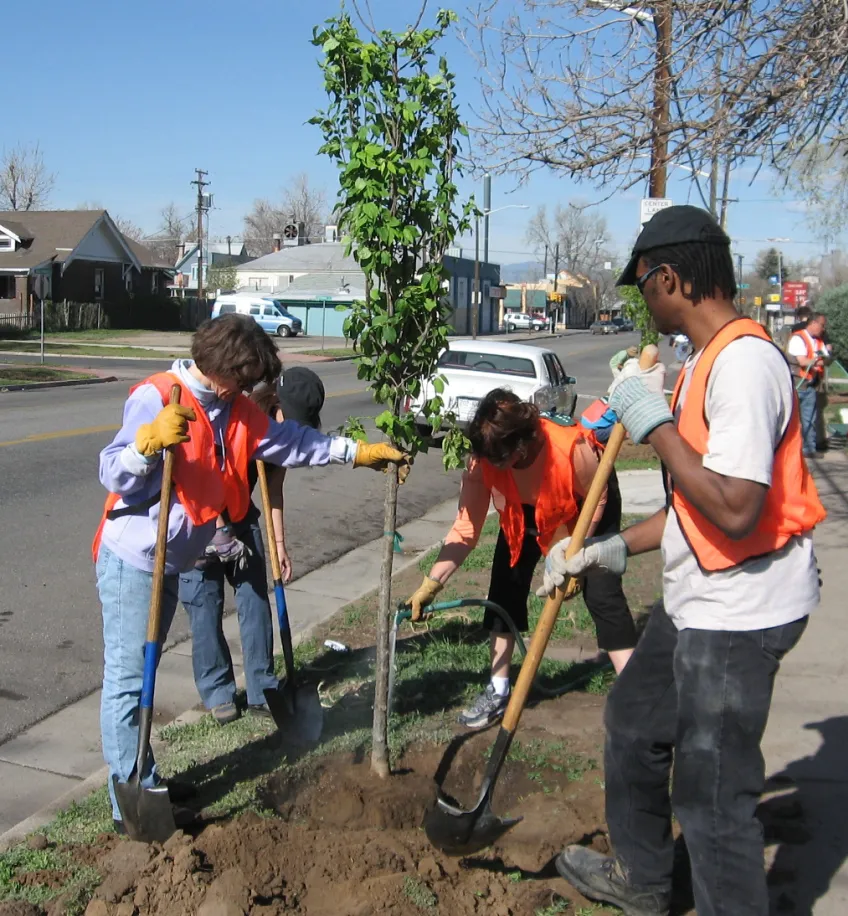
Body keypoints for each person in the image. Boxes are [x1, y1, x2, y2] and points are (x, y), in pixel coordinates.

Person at [541, 205, 827, 916]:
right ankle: (644, 882)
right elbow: (695, 506)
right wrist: (609, 549)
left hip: (742, 611)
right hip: (701, 597)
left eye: (641, 284)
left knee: (712, 800)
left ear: (668, 277)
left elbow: (734, 507)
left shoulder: (748, 364)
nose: (641, 298)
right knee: (634, 724)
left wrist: (655, 423)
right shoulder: (704, 361)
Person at [94, 315, 409, 833]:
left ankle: (144, 779)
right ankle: (128, 800)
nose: (250, 390)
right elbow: (112, 472)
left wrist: (357, 453)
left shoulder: (234, 409)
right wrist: (146, 444)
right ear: (223, 370)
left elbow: (291, 443)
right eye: (245, 378)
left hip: (172, 561)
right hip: (135, 562)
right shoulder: (159, 396)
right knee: (130, 681)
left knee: (140, 676)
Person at [404, 388, 637, 729]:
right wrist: (433, 582)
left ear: (520, 444)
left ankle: (635, 693)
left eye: (499, 459)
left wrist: (578, 553)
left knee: (602, 593)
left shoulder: (570, 449)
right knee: (505, 584)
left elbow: (597, 498)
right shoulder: (481, 461)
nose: (491, 466)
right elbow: (466, 528)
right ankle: (498, 690)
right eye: (487, 460)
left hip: (586, 503)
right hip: (526, 508)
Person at [178, 367, 327, 726]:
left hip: (243, 519)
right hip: (199, 520)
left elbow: (272, 491)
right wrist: (216, 529)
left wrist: (279, 545)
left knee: (256, 601)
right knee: (205, 604)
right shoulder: (237, 420)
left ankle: (263, 686)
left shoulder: (282, 442)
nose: (288, 425)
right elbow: (200, 476)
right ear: (273, 400)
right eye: (286, 417)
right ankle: (218, 692)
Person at [787, 311, 833, 456]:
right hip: (797, 384)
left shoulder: (818, 341)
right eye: (822, 325)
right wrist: (816, 360)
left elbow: (826, 359)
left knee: (809, 419)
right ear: (813, 323)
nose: (823, 329)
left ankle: (808, 449)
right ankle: (788, 449)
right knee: (791, 420)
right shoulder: (798, 339)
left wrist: (819, 360)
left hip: (811, 385)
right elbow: (803, 361)